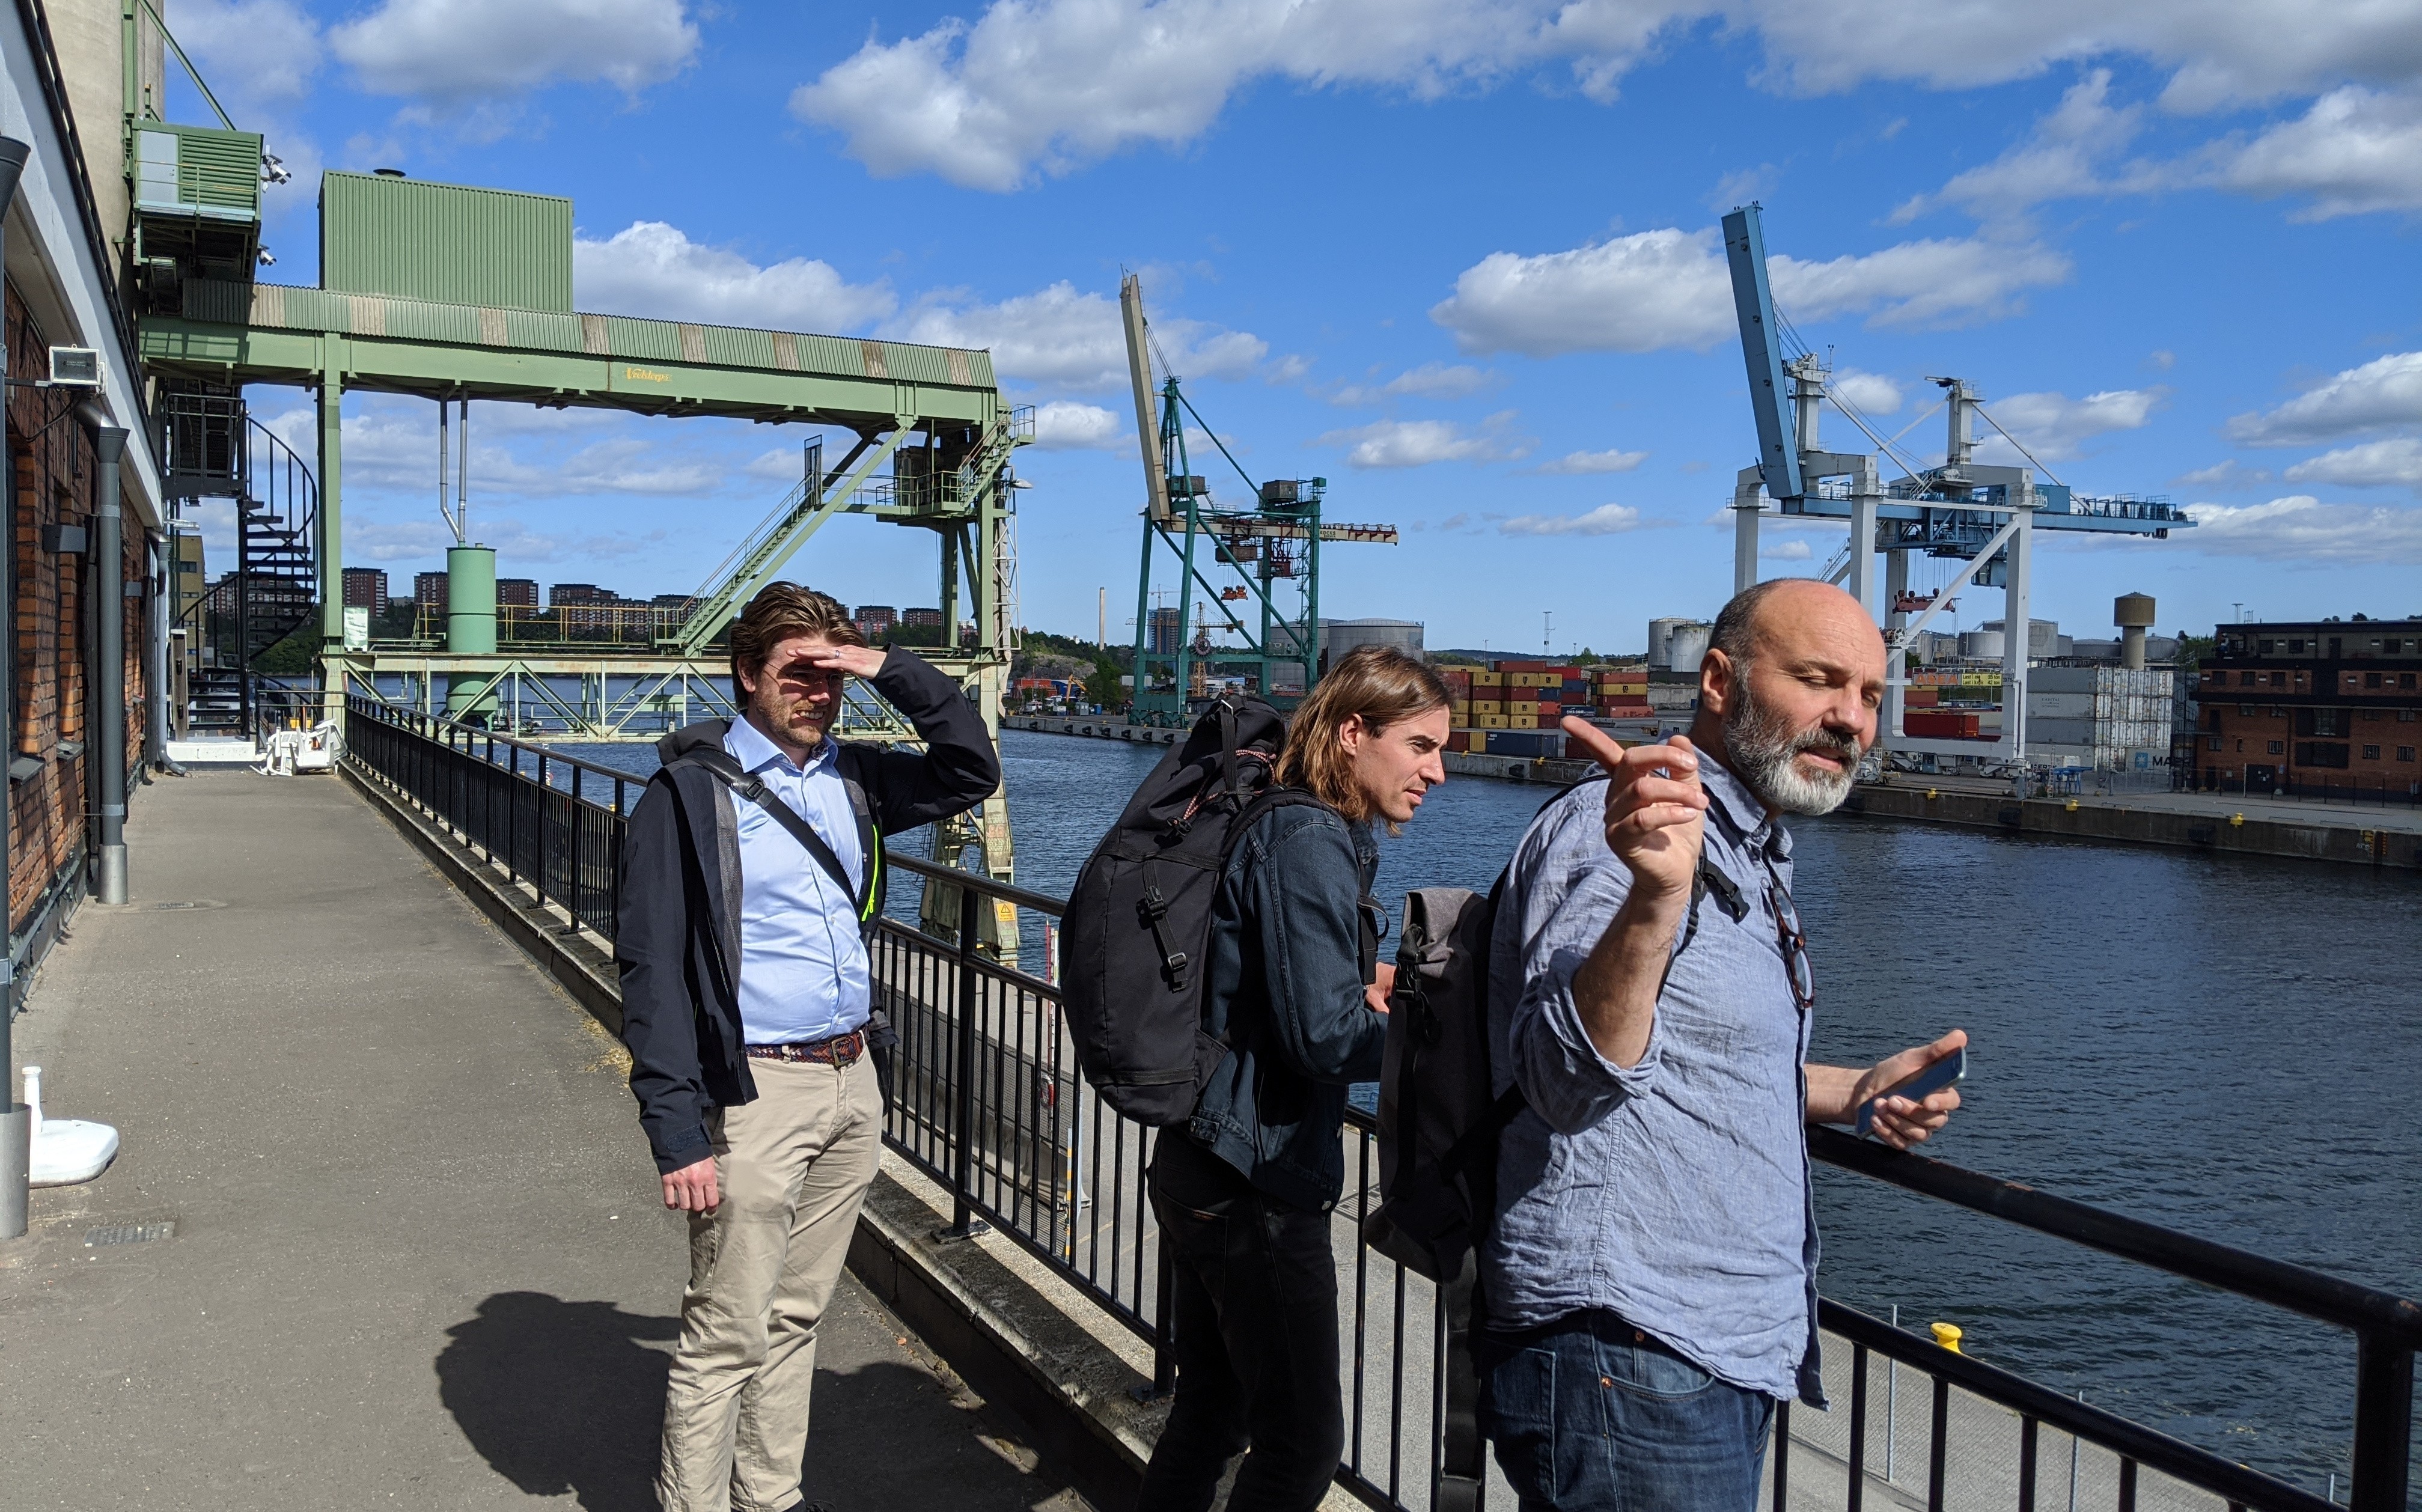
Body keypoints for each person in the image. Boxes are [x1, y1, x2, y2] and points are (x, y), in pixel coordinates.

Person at [1480, 579, 1966, 1511]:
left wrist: (1858, 1086)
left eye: (1868, 695)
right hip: (1630, 1346)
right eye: (1819, 680)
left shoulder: (1743, 845)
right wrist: (1655, 896)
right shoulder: (1621, 834)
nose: (1849, 720)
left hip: (1706, 1350)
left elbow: (1699, 1062)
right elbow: (1563, 1081)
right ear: (1716, 680)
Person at [616, 583, 999, 1512]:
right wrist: (676, 1127)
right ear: (747, 674)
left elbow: (969, 771)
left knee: (795, 1318)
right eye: (797, 671)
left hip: (849, 1077)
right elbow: (652, 967)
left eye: (832, 675)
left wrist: (889, 668)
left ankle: (770, 1498)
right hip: (755, 1093)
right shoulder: (687, 796)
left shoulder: (856, 778)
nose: (817, 692)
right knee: (725, 1334)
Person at [1138, 645, 1452, 1512]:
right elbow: (1324, 1038)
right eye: (1420, 746)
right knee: (1301, 1446)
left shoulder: (1288, 819)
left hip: (1204, 1156)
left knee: (1210, 1413)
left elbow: (1278, 990)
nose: (1438, 770)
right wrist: (1440, 1041)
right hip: (1256, 1183)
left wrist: (1371, 990)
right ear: (1354, 733)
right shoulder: (1308, 835)